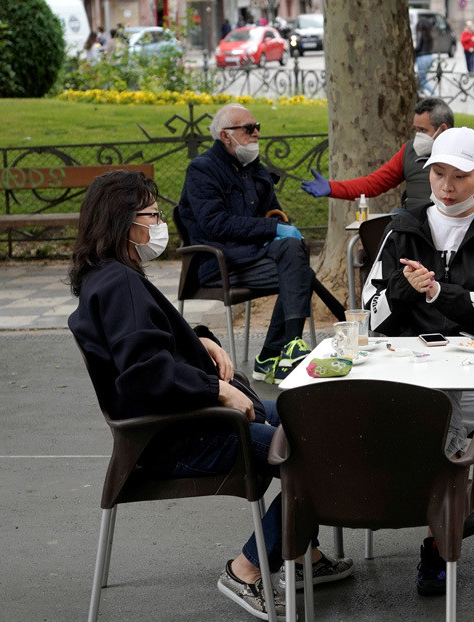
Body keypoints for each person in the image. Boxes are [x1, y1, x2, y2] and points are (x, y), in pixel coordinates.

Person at [68, 170, 353, 621]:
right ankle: (248, 569)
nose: (159, 224)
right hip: (181, 435)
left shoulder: (106, 277)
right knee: (320, 451)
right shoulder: (119, 283)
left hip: (186, 421)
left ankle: (302, 556)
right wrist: (217, 390)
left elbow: (148, 344)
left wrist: (200, 340)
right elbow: (144, 375)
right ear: (126, 222)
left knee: (316, 418)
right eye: (153, 215)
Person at [361, 127, 474, 596]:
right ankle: (447, 510)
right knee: (404, 406)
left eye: (460, 176)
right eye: (438, 173)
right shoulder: (402, 227)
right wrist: (404, 287)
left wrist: (437, 291)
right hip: (409, 363)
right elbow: (370, 311)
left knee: (443, 411)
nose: (447, 186)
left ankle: (437, 536)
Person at [177, 103, 316, 385]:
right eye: (249, 129)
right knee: (300, 270)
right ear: (226, 136)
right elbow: (215, 224)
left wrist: (279, 228)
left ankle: (275, 354)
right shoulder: (202, 169)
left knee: (294, 256)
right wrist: (274, 228)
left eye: (258, 128)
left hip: (254, 256)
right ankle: (282, 351)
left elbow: (273, 213)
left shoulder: (254, 169)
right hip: (219, 263)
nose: (257, 135)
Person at [300, 98, 474, 212]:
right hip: (414, 229)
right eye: (438, 173)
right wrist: (332, 187)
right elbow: (373, 184)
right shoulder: (408, 152)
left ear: (442, 130)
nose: (418, 136)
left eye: (423, 130)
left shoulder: (469, 154)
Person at [415, 15, 435, 96]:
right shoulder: (430, 35)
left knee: (422, 81)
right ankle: (421, 94)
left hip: (422, 58)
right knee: (423, 78)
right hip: (429, 57)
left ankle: (434, 95)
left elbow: (418, 47)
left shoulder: (420, 34)